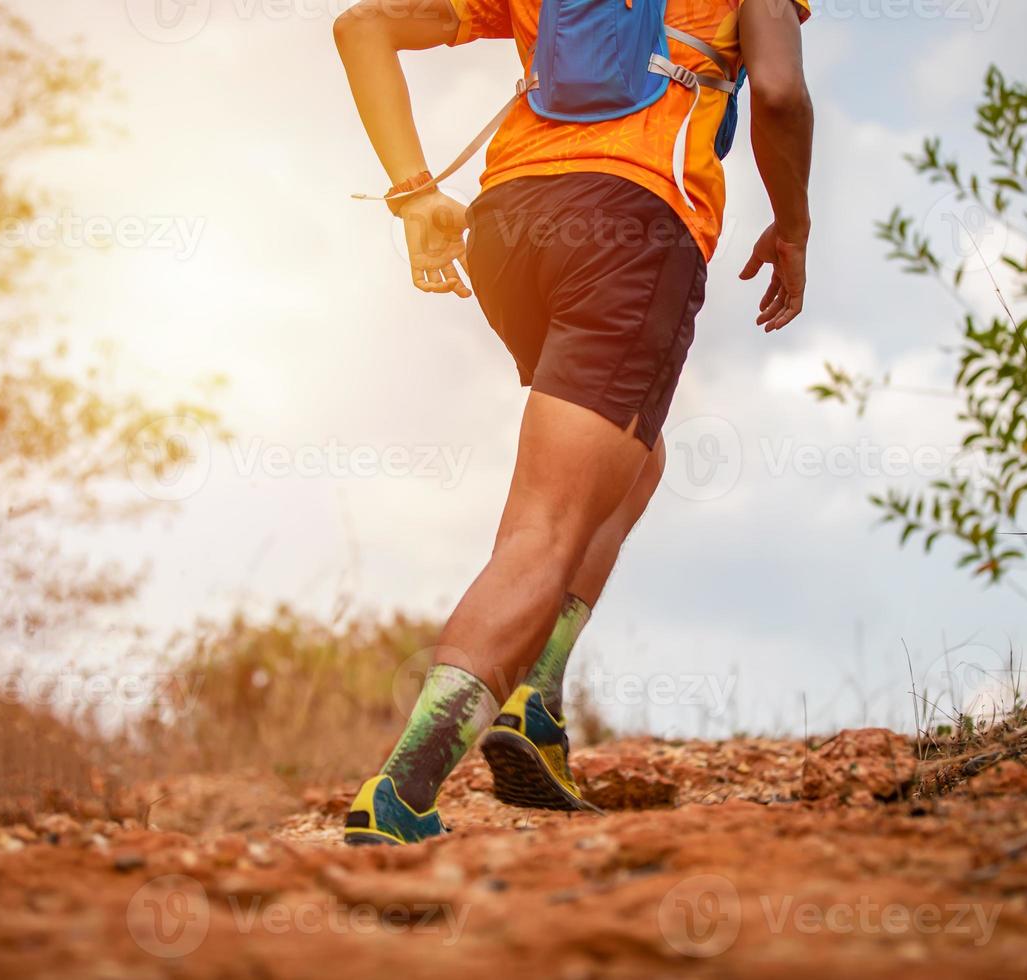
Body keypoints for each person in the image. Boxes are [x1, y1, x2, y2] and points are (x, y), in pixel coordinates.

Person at [333, 0, 813, 845]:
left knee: (636, 458)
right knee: (545, 528)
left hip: (511, 228)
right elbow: (776, 91)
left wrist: (414, 194)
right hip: (630, 227)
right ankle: (402, 790)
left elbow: (363, 27)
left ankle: (536, 696)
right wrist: (795, 229)